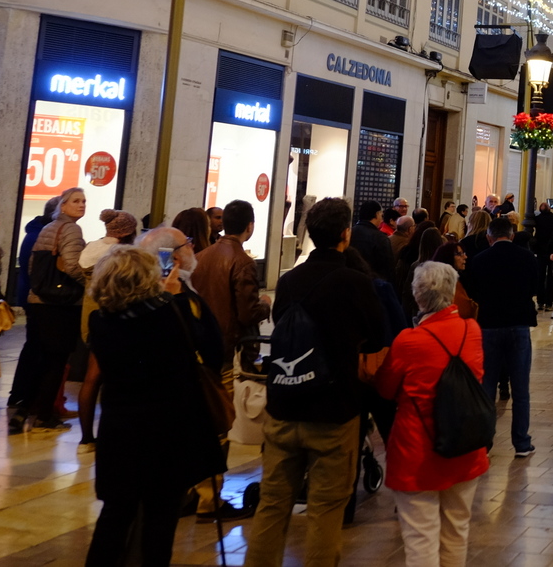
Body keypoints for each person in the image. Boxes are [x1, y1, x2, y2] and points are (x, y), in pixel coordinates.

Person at [246, 198, 389, 567]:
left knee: (272, 504)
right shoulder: (356, 283)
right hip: (333, 410)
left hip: (284, 405)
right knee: (325, 508)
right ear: (346, 235)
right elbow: (377, 338)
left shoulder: (289, 281)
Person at [79, 246, 226, 567]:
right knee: (160, 520)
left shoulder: (100, 321)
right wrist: (177, 298)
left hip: (119, 433)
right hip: (166, 433)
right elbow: (212, 350)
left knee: (115, 516)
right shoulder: (169, 314)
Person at [374, 260, 489, 567]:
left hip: (417, 452)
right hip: (465, 446)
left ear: (417, 295)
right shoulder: (472, 330)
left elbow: (386, 388)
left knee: (420, 538)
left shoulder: (409, 341)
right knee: (456, 532)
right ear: (452, 293)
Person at [189, 199, 272, 520]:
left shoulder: (201, 257)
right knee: (220, 424)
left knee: (198, 421)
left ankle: (190, 492)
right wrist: (265, 305)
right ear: (250, 227)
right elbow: (247, 312)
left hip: (199, 350)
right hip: (228, 353)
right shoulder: (242, 261)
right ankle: (209, 499)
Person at [9, 185, 87, 433]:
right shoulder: (71, 229)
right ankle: (44, 416)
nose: (82, 205)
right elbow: (73, 266)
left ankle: (24, 409)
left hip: (40, 300)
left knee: (42, 357)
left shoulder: (48, 228)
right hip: (61, 304)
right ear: (62, 206)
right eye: (76, 201)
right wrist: (89, 283)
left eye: (84, 201)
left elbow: (33, 266)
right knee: (57, 360)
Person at [461, 216, 541, 458]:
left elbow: (473, 291)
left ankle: (485, 442)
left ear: (489, 237)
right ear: (512, 235)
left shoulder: (479, 260)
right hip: (518, 325)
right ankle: (522, 443)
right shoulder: (527, 258)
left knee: (487, 386)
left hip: (489, 326)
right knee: (520, 389)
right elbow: (536, 287)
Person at [430, 241, 478, 318]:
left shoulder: (462, 279)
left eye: (464, 253)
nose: (465, 257)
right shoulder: (439, 283)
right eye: (459, 254)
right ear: (447, 257)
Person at [351, 201, 396, 281]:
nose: (382, 220)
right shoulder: (380, 238)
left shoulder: (349, 233)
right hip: (372, 282)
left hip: (350, 279)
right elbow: (388, 268)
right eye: (381, 215)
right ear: (377, 214)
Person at [532, 202, 553, 312]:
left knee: (540, 276)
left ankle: (540, 302)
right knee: (550, 278)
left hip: (540, 251)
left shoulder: (537, 219)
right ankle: (549, 303)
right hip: (551, 251)